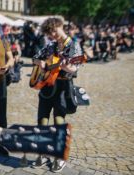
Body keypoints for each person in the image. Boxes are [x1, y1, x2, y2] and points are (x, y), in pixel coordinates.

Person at [33, 17, 83, 172]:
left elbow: (76, 67)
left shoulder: (74, 45)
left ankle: (60, 157)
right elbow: (35, 57)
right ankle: (42, 153)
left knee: (58, 123)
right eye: (50, 33)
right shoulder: (51, 46)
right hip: (46, 87)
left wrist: (68, 67)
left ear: (61, 26)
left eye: (54, 30)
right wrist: (40, 63)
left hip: (63, 88)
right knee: (42, 121)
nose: (53, 35)